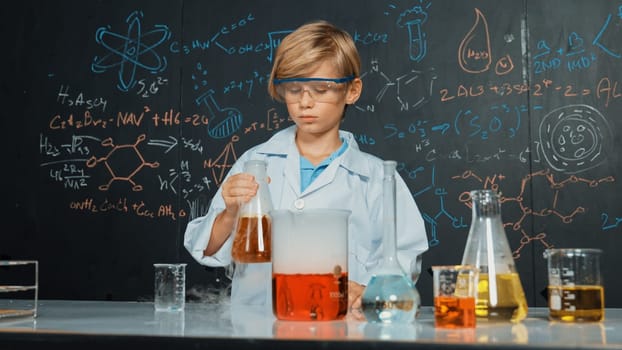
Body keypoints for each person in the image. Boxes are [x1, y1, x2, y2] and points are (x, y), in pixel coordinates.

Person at [184, 20, 428, 315]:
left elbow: (404, 258)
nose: (305, 102)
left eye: (321, 89)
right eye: (294, 89)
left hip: (343, 326)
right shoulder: (254, 162)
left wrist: (371, 289)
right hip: (257, 325)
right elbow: (206, 251)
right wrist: (230, 213)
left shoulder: (375, 178)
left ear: (352, 90)